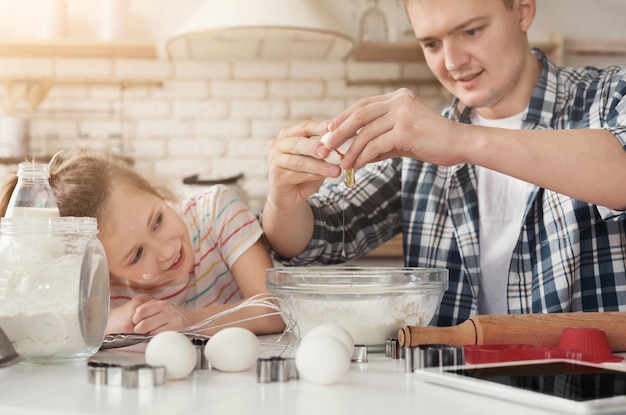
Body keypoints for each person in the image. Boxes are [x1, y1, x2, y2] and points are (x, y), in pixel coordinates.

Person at [261, 0, 626, 327]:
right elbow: (319, 239)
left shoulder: (609, 95)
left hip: (590, 396)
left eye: (470, 31)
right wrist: (283, 200)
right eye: (431, 44)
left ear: (523, 10)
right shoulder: (421, 144)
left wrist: (459, 140)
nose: (452, 62)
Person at [0, 150, 285, 336]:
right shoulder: (100, 284)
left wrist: (187, 320)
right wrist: (105, 323)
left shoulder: (216, 212)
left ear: (156, 192)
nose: (166, 250)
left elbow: (274, 309)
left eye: (158, 220)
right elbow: (31, 329)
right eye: (136, 255)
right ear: (102, 267)